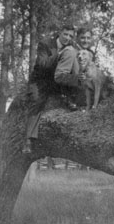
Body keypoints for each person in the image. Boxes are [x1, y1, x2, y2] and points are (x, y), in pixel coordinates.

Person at [22, 24, 84, 154]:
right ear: (60, 32)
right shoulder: (45, 44)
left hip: (58, 81)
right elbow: (42, 64)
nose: (67, 38)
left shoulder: (71, 48)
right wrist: (60, 56)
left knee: (73, 57)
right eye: (65, 34)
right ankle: (28, 140)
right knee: (36, 101)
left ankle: (73, 98)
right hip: (41, 81)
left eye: (70, 36)